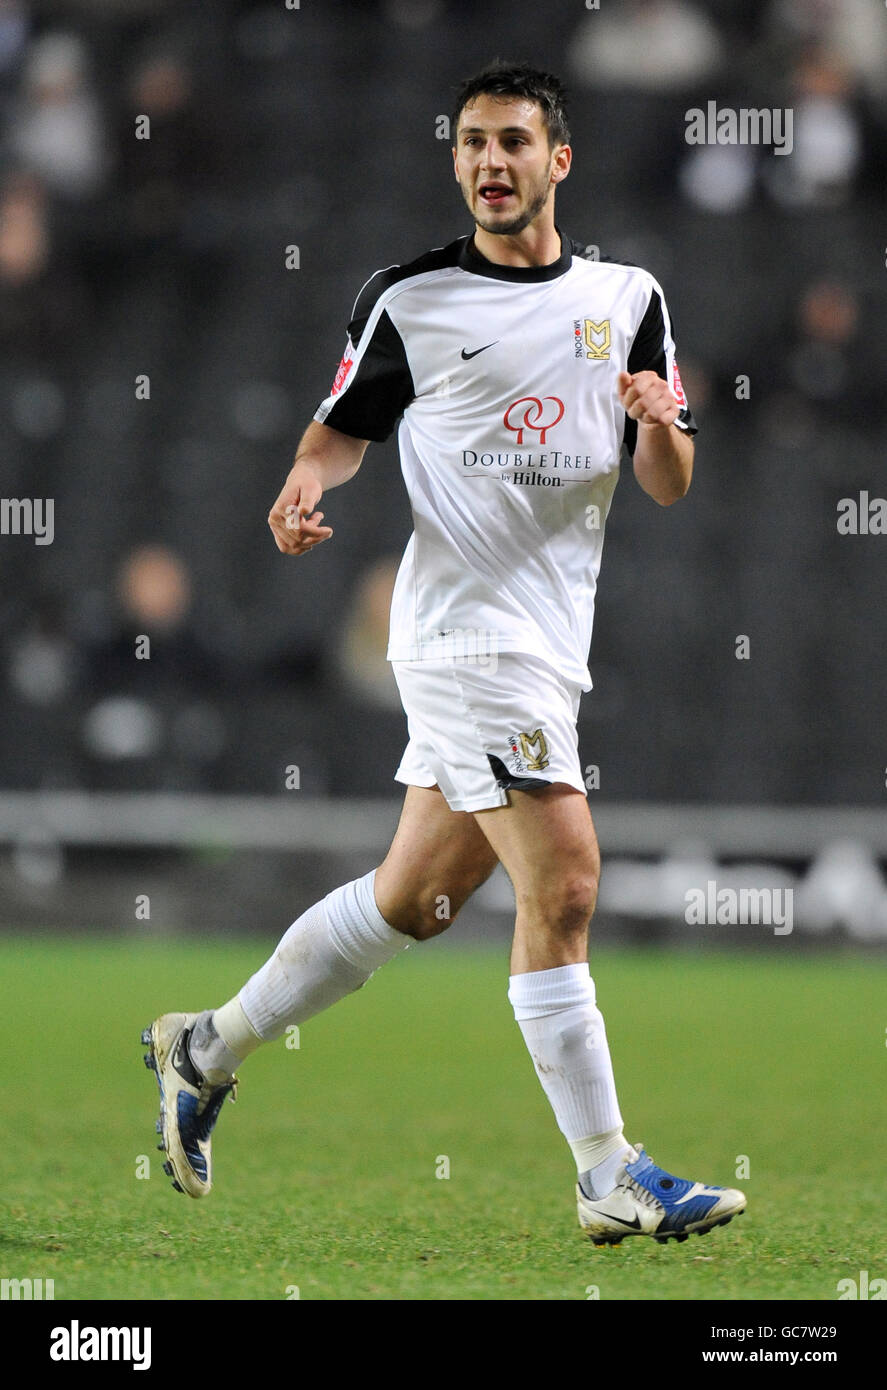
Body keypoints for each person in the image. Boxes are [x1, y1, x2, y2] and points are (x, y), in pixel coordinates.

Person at [142, 61, 745, 1246]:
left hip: (546, 643)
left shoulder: (628, 298)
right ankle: (605, 1171)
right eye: (471, 142)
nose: (489, 162)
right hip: (458, 636)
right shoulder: (408, 299)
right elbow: (335, 437)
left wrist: (657, 422)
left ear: (555, 160)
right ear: (455, 158)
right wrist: (300, 491)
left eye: (513, 141)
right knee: (564, 879)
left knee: (414, 900)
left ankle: (202, 1046)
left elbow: (667, 482)